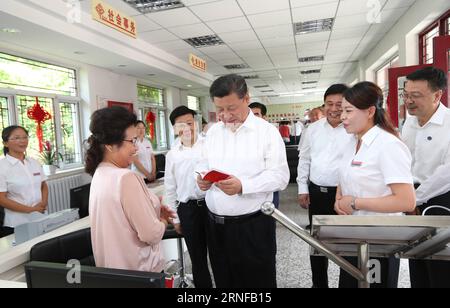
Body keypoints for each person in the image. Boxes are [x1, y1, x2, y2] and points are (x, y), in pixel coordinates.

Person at [196, 74, 289, 288]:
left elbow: (280, 176)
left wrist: (243, 186)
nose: (225, 116)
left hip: (252, 225)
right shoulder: (213, 132)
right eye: (220, 109)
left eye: (231, 108)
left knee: (257, 282)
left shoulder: (267, 133)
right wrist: (200, 178)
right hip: (215, 225)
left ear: (246, 98)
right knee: (224, 279)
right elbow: (202, 162)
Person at [335, 81, 415, 288]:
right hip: (354, 235)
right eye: (342, 110)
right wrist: (339, 199)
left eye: (348, 111)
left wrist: (355, 203)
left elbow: (406, 201)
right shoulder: (352, 142)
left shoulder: (388, 145)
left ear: (370, 111)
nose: (342, 116)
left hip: (379, 238)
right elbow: (345, 177)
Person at [86, 106, 175, 272]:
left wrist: (151, 207)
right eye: (132, 141)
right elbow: (151, 234)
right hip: (139, 272)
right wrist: (162, 220)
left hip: (113, 273)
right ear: (111, 145)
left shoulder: (100, 173)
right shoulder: (126, 178)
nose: (136, 148)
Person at [297, 84, 352, 288]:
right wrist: (303, 188)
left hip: (346, 196)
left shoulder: (353, 128)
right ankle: (319, 284)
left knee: (346, 246)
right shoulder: (313, 129)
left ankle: (347, 283)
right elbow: (305, 158)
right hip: (318, 193)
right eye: (330, 104)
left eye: (340, 104)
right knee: (317, 245)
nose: (335, 109)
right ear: (324, 104)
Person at [402, 67, 450, 288]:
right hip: (412, 200)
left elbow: (445, 174)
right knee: (417, 259)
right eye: (406, 94)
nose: (409, 101)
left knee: (441, 267)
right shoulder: (409, 122)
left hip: (440, 201)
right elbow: (404, 161)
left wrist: (414, 199)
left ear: (437, 95)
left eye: (416, 95)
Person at [164, 105, 212, 288]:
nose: (187, 128)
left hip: (212, 205)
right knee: (197, 258)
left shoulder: (209, 145)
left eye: (191, 123)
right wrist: (175, 218)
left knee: (220, 254)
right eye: (181, 125)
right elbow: (170, 188)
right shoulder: (172, 155)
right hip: (188, 210)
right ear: (175, 128)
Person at [0, 125, 48, 237]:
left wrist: (43, 203)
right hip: (17, 223)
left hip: (39, 216)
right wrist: (30, 210)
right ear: (5, 143)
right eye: (16, 138)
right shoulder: (2, 167)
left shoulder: (33, 162)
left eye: (25, 137)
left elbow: (43, 185)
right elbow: (1, 199)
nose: (22, 141)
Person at [249, 102, 280, 209]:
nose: (252, 118)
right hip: (249, 191)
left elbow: (277, 172)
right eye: (250, 114)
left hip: (268, 188)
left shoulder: (271, 134)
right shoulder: (245, 135)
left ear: (264, 117)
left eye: (256, 114)